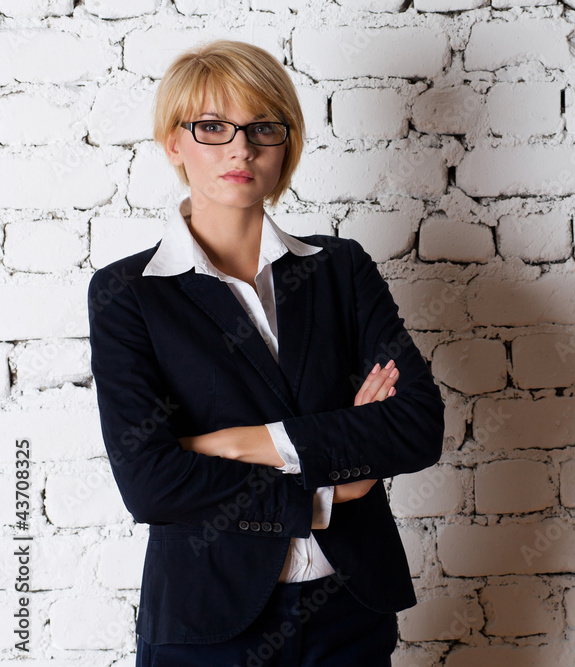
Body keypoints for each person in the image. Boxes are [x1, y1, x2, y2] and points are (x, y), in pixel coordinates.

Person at [87, 39, 444, 666]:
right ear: (174, 143)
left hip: (351, 611)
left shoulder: (339, 269)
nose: (240, 147)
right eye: (212, 127)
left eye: (262, 128)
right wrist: (327, 492)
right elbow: (150, 483)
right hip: (209, 624)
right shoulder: (129, 294)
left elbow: (417, 426)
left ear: (287, 143)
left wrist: (235, 441)